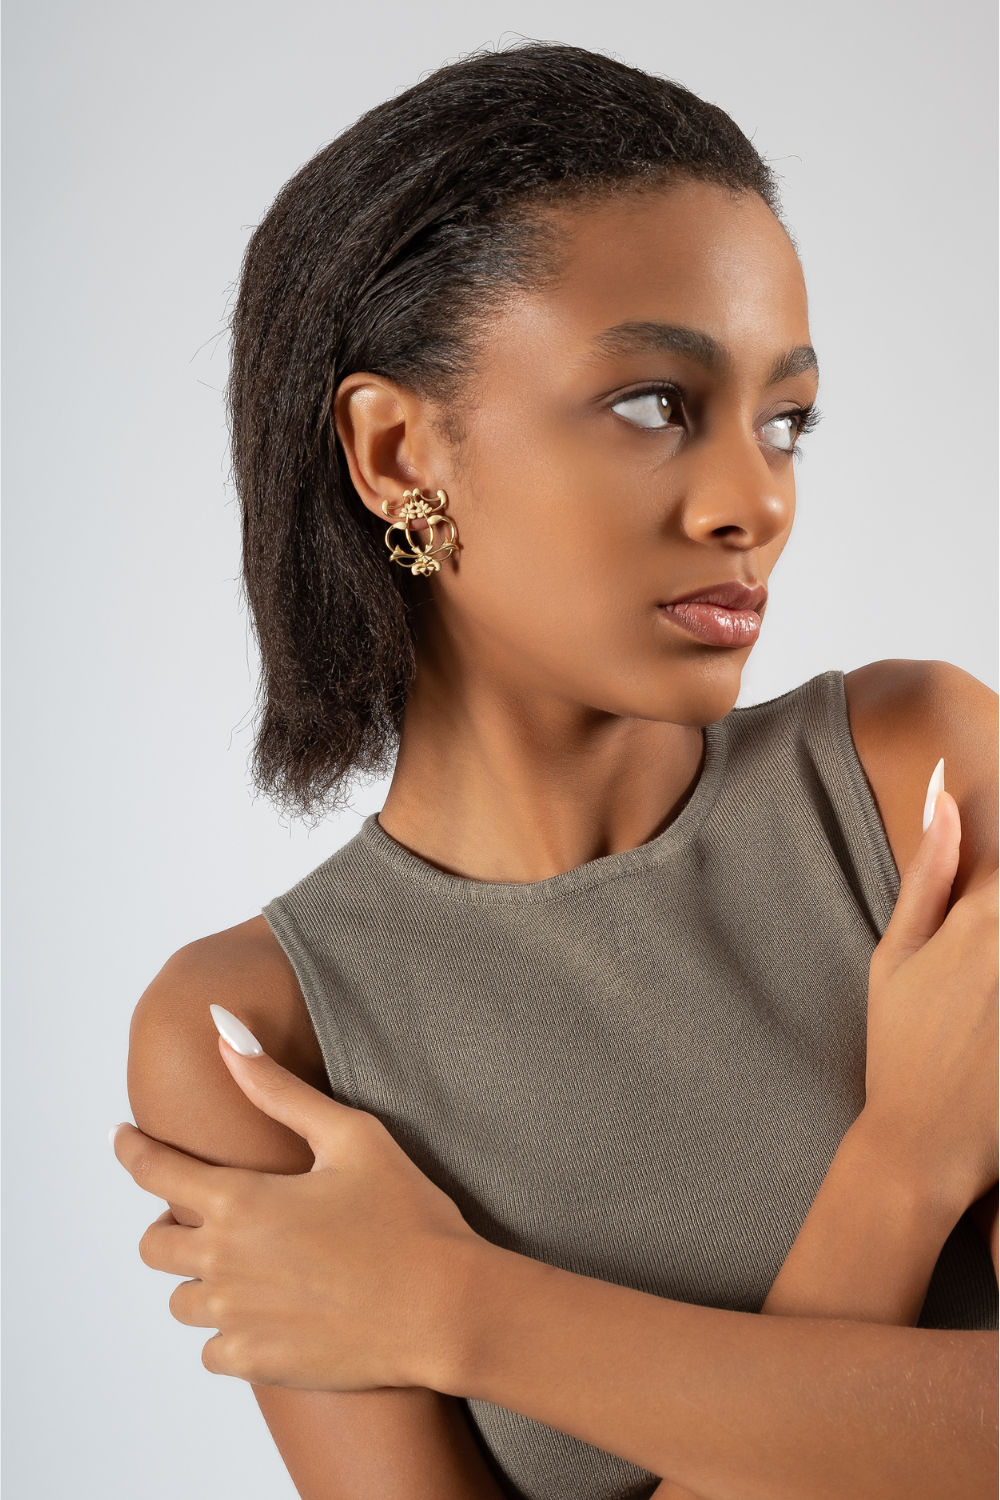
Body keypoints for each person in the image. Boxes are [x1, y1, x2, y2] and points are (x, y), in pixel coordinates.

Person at [114, 42, 998, 1500]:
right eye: (655, 404)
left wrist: (451, 1310)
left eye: (785, 420)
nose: (757, 500)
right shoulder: (256, 1040)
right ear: (397, 451)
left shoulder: (923, 779)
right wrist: (902, 1167)